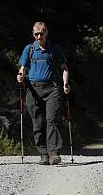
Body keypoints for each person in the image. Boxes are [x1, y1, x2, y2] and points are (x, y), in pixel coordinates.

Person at [16, 22, 70, 165]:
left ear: (47, 32)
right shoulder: (30, 49)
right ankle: (43, 153)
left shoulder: (54, 48)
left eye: (42, 33)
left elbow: (65, 68)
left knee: (52, 119)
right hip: (33, 90)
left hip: (52, 88)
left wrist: (65, 84)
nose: (39, 36)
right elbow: (22, 68)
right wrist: (20, 76)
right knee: (38, 123)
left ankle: (54, 153)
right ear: (33, 35)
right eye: (36, 34)